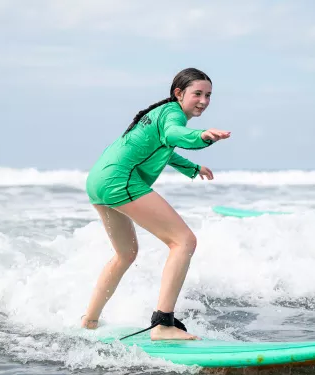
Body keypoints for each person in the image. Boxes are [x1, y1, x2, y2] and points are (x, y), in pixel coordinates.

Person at [82, 68, 230, 341]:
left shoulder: (159, 113)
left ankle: (89, 320)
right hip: (119, 180)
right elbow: (174, 135)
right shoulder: (173, 114)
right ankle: (163, 323)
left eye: (208, 95)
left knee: (125, 254)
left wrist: (192, 167)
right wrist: (203, 137)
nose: (204, 101)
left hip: (98, 180)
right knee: (184, 241)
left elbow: (163, 147)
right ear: (178, 93)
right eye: (197, 94)